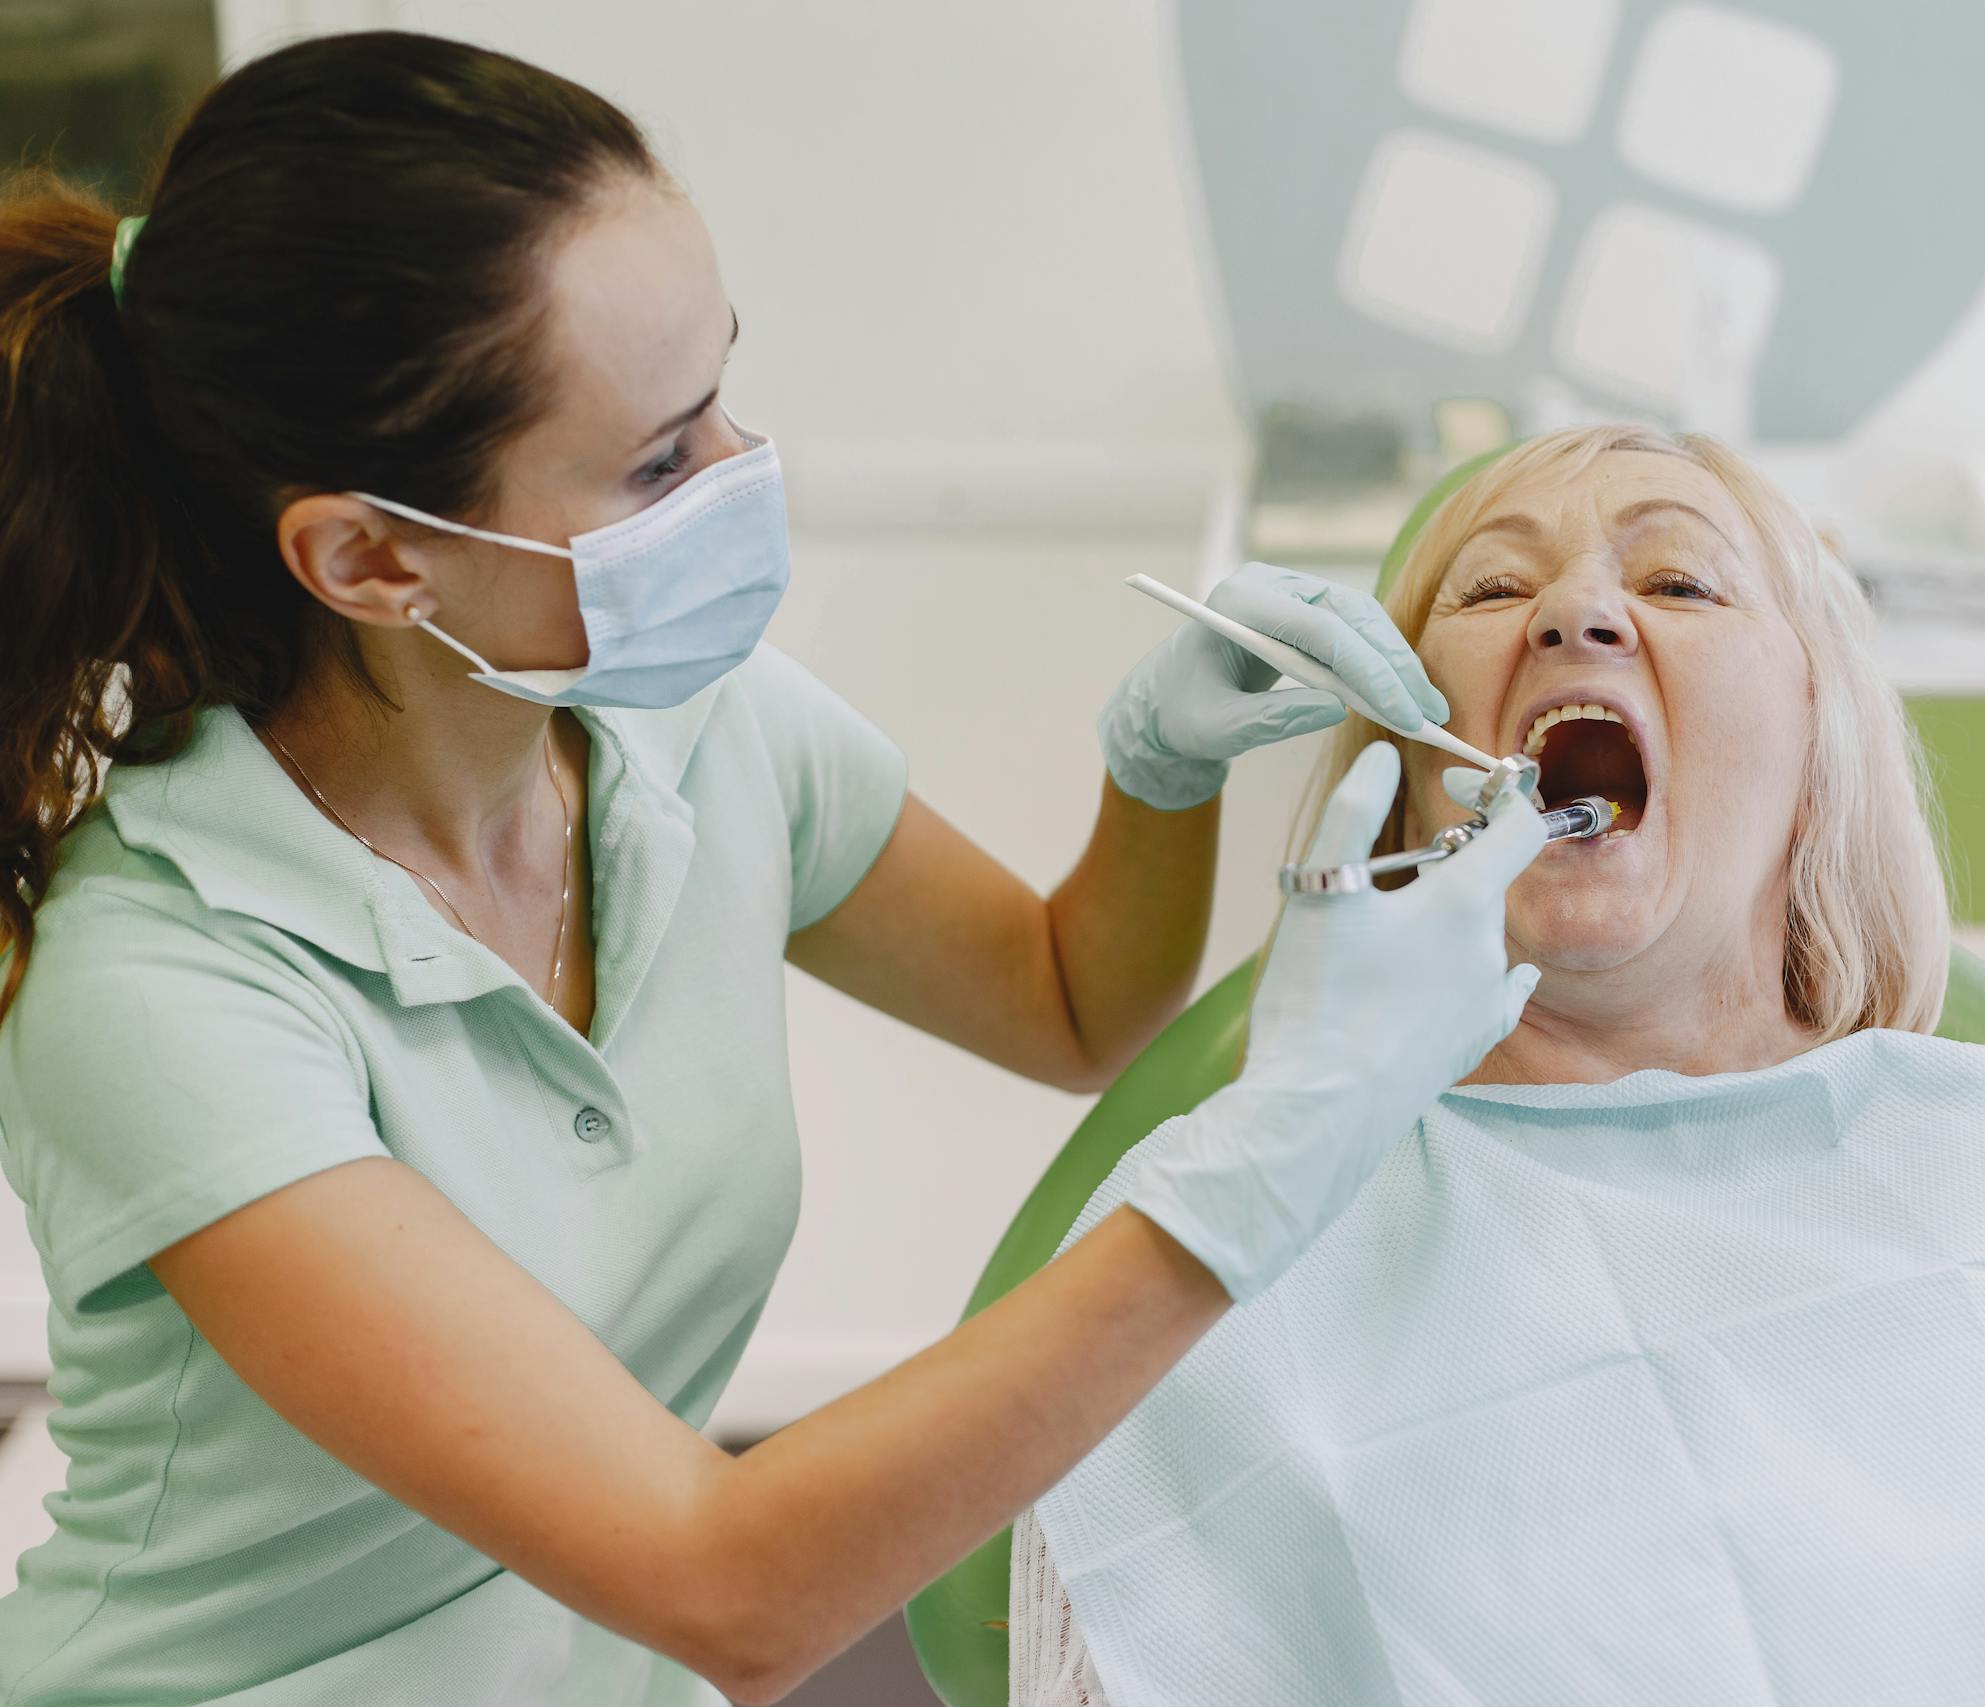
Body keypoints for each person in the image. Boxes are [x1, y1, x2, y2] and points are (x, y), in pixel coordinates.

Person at [0, 33, 1547, 1706]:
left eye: (723, 388)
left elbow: (1070, 1003)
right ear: (371, 558)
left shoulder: (700, 737)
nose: (742, 473)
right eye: (662, 461)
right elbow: (729, 1588)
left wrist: (1156, 773)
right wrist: (1280, 1150)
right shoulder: (162, 994)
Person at [1009, 427, 1985, 1706]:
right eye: (1494, 589)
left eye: (1682, 585)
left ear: (1821, 741)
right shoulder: (1198, 1236)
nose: (1575, 611)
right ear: (1403, 744)